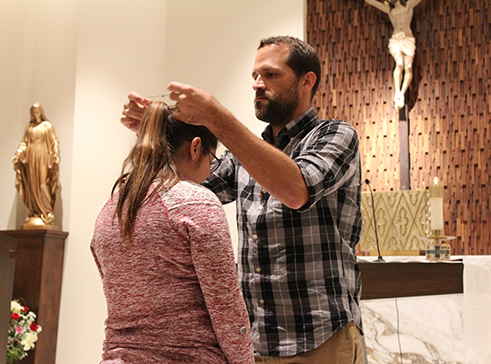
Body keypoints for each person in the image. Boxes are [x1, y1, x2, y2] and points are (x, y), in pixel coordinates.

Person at [122, 36, 364, 363]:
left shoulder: (335, 135)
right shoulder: (245, 156)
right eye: (254, 76)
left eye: (270, 75)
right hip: (255, 345)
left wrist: (215, 117)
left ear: (307, 81)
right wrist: (155, 133)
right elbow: (189, 182)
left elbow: (297, 189)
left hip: (320, 340)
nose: (257, 84)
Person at [91, 102, 254, 364]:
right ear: (196, 147)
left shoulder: (111, 207)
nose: (209, 171)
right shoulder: (197, 202)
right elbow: (226, 309)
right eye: (212, 160)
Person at [365, 0, 423, 109]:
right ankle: (398, 93)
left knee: (409, 67)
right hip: (396, 39)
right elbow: (374, 3)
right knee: (399, 64)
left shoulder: (408, 6)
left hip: (407, 38)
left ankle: (402, 91)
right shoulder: (390, 10)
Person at [12, 102, 60, 228]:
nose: (35, 114)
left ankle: (45, 211)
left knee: (42, 184)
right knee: (32, 185)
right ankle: (34, 211)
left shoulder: (47, 126)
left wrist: (55, 154)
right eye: (33, 112)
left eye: (37, 112)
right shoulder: (29, 127)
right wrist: (18, 154)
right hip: (31, 159)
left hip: (43, 158)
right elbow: (24, 144)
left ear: (41, 112)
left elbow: (54, 141)